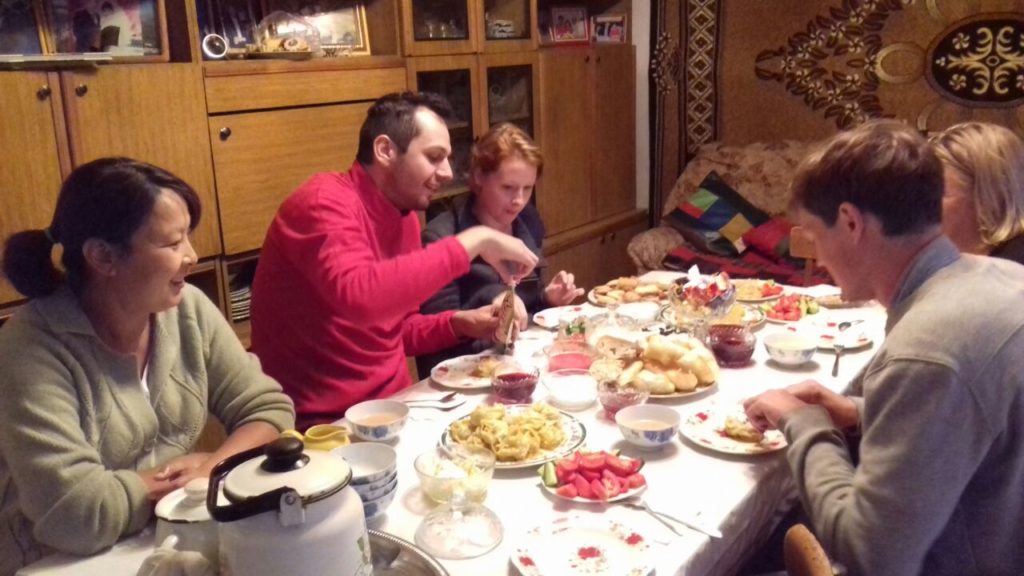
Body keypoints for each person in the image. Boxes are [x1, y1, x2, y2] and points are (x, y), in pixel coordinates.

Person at [742, 121, 1024, 576]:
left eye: (813, 234)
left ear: (851, 223)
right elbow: (970, 423)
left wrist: (804, 423)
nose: (815, 254)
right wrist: (860, 411)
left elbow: (874, 556)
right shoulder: (1000, 278)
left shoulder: (929, 350)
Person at [0, 157, 295, 575]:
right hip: (57, 562)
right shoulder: (31, 347)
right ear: (102, 256)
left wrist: (214, 466)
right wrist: (180, 484)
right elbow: (73, 514)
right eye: (172, 244)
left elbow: (267, 408)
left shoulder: (186, 307)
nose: (191, 256)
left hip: (159, 540)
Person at [250, 92, 539, 430]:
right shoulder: (322, 203)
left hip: (397, 406)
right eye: (434, 157)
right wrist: (476, 240)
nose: (447, 172)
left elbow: (395, 331)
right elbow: (362, 299)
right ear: (385, 150)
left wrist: (457, 322)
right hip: (323, 427)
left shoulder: (403, 218)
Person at [418, 123, 583, 374]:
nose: (518, 200)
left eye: (527, 188)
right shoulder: (441, 236)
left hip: (519, 364)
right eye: (508, 187)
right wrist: (496, 302)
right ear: (478, 177)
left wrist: (547, 298)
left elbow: (527, 310)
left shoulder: (528, 221)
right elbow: (436, 337)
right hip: (465, 375)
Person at [930, 121, 1024, 265]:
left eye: (936, 193)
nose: (920, 206)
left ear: (987, 196)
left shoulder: (1015, 269)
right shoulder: (940, 260)